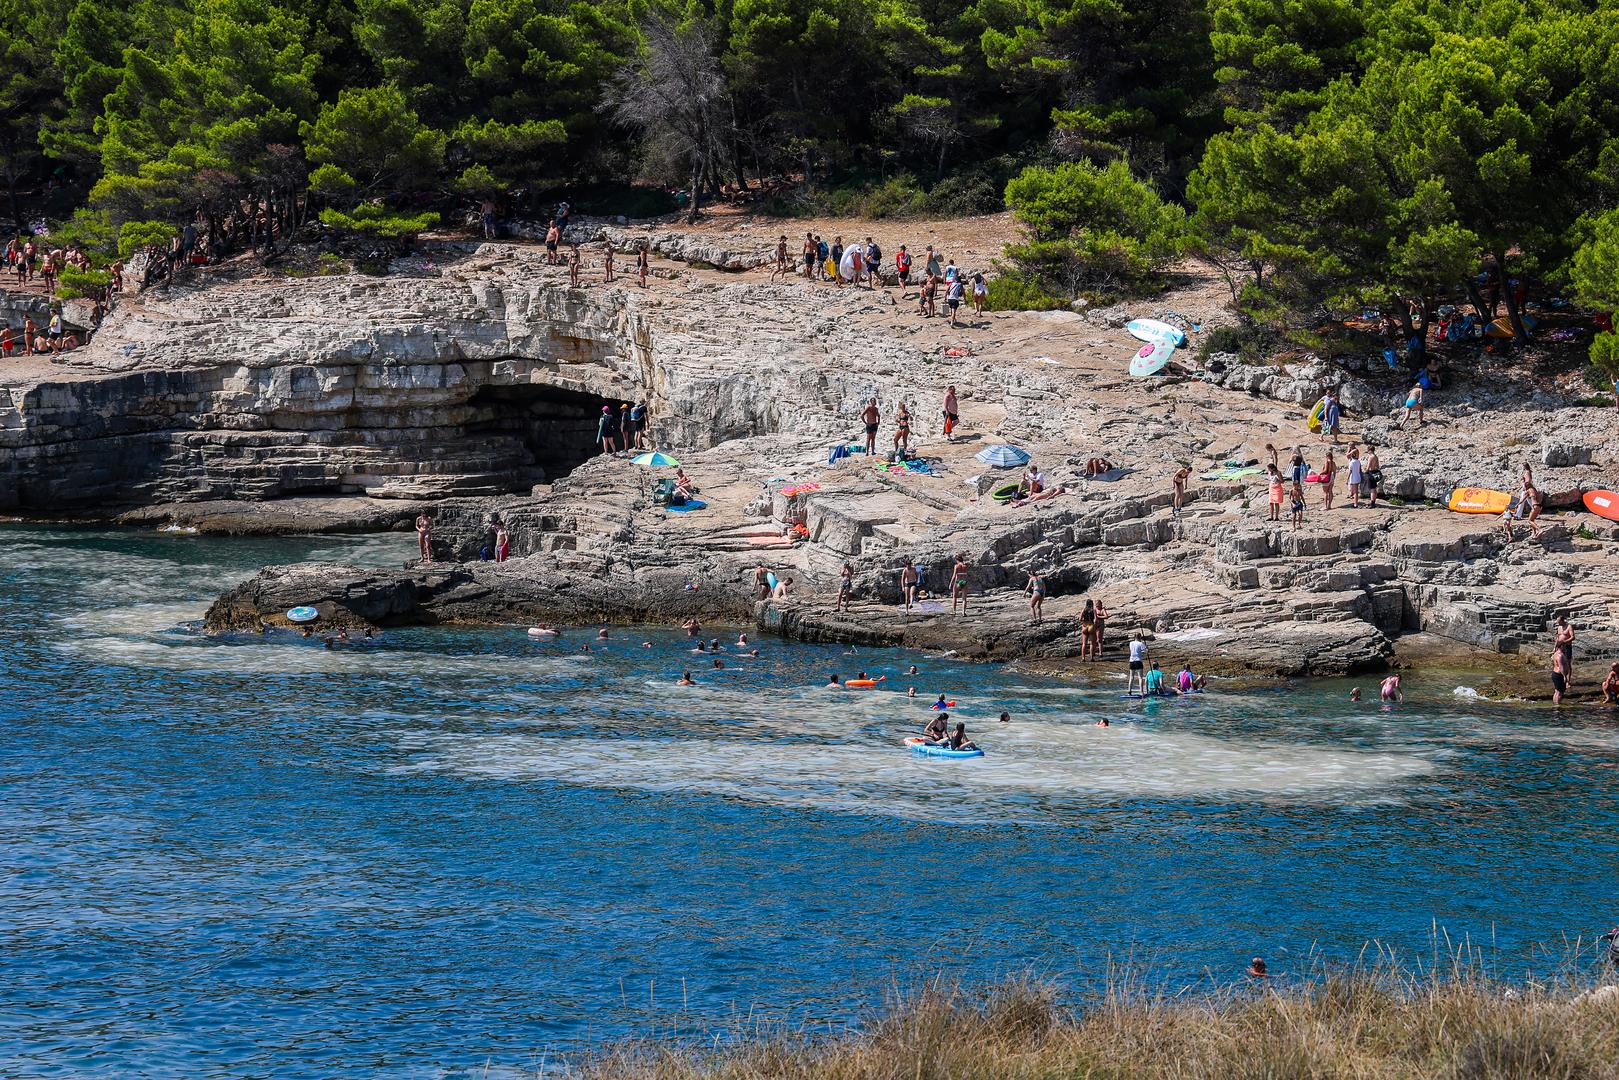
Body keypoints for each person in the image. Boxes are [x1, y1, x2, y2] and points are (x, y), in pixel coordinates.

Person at [1364, 443, 1382, 508]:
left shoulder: (1371, 457)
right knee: (1374, 488)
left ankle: (1372, 503)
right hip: (1375, 473)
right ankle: (1373, 502)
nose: (1367, 452)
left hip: (1371, 473)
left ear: (1370, 450)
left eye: (1368, 450)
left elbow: (1368, 467)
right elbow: (1377, 466)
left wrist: (1365, 471)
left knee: (1372, 489)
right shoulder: (1375, 456)